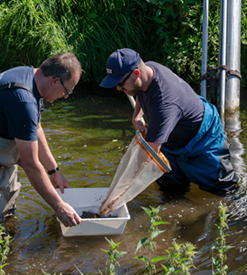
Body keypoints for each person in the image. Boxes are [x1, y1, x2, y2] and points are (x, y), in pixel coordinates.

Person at [0, 52, 82, 236]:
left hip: (1, 161)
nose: (65, 96)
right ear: (55, 81)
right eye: (67, 91)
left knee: (8, 219)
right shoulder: (23, 99)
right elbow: (30, 165)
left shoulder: (30, 77)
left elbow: (35, 128)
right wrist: (59, 206)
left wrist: (54, 170)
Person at [100, 48, 236, 194]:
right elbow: (140, 92)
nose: (118, 88)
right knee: (171, 190)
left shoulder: (164, 104)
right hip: (172, 141)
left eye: (120, 84)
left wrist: (119, 191)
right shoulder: (147, 70)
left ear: (136, 74)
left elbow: (148, 155)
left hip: (203, 142)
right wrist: (137, 116)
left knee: (226, 193)